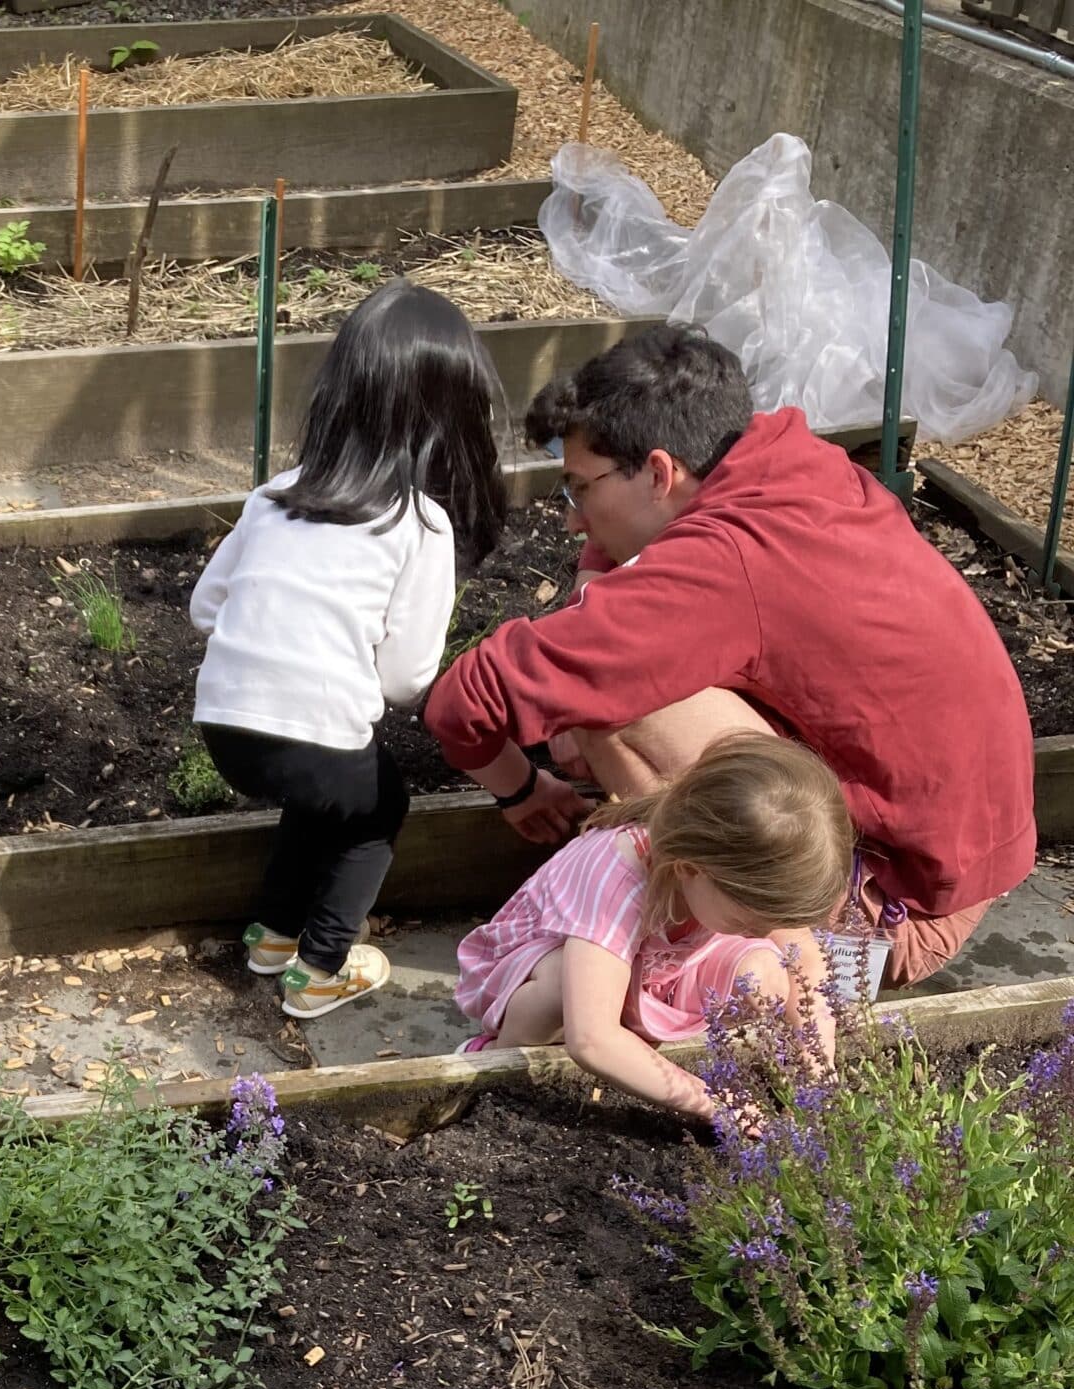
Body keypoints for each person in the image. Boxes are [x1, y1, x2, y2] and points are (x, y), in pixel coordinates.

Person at [424, 324, 1036, 986]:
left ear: (660, 471)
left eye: (580, 489)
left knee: (613, 704)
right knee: (603, 675)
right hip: (966, 857)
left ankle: (735, 934)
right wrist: (594, 584)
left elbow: (464, 701)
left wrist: (520, 789)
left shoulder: (723, 564)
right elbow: (626, 554)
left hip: (893, 913)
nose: (572, 520)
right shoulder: (786, 463)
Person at [189, 282, 507, 1019]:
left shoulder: (274, 494)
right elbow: (404, 680)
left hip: (226, 729)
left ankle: (271, 935)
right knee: (377, 803)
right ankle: (322, 967)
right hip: (315, 732)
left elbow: (206, 606)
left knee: (324, 793)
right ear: (447, 417)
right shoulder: (420, 522)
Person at [454, 733, 850, 1120]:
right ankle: (496, 1063)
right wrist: (713, 1103)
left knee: (768, 975)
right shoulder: (616, 876)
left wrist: (818, 1066)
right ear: (691, 869)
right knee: (559, 989)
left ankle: (641, 1049)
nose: (761, 933)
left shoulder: (716, 876)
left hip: (654, 970)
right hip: (540, 970)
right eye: (746, 922)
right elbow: (591, 1039)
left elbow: (805, 959)